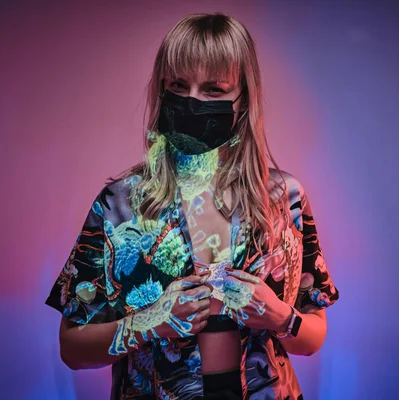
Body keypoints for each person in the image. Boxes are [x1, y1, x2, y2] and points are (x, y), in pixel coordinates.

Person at [45, 12, 339, 400]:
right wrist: (150, 323)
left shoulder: (284, 199)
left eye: (214, 90)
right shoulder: (120, 205)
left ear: (244, 99)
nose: (193, 101)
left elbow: (311, 336)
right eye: (179, 86)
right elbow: (73, 350)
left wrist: (279, 316)